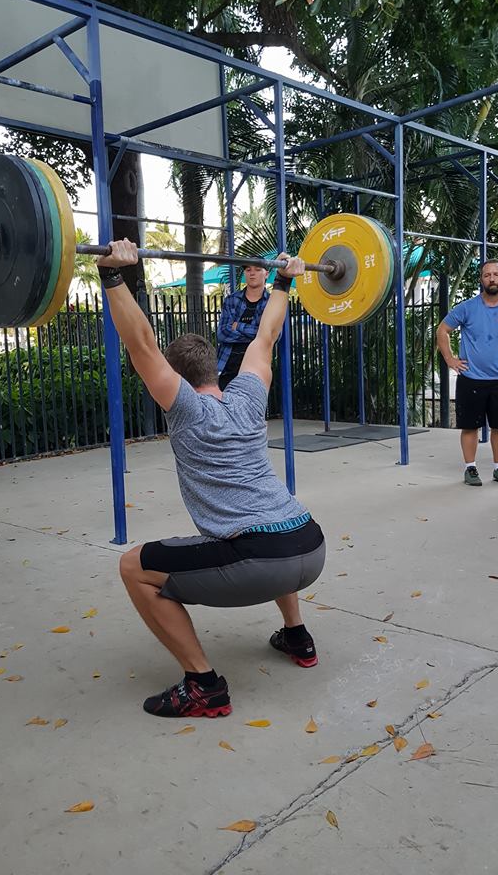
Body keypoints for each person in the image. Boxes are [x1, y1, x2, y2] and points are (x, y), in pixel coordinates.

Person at [96, 239, 325, 718]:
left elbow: (141, 345)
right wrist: (285, 281)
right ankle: (296, 635)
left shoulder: (185, 407)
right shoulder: (247, 395)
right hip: (309, 545)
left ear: (175, 379)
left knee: (133, 566)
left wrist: (111, 275)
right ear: (213, 370)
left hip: (260, 561)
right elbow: (266, 338)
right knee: (263, 522)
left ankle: (203, 684)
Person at [436, 259, 498, 487]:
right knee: (470, 427)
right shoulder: (467, 307)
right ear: (481, 279)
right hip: (471, 379)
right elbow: (443, 330)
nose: (491, 279)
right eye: (487, 275)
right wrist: (450, 359)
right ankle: (470, 469)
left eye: (496, 274)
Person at [216, 264, 270, 390]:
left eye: (257, 269)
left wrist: (238, 326)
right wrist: (257, 333)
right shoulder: (231, 300)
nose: (252, 273)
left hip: (255, 370)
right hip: (226, 367)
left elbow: (272, 336)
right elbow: (222, 333)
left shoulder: (271, 303)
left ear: (266, 274)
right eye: (248, 269)